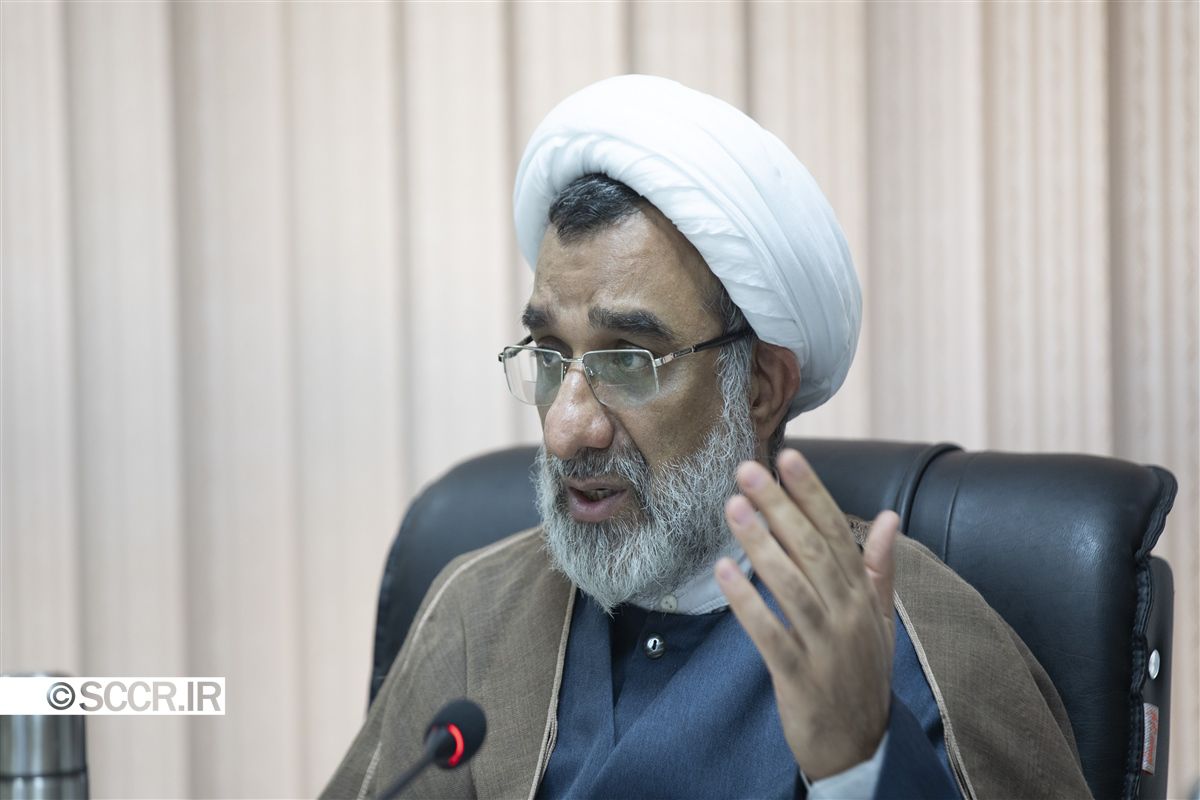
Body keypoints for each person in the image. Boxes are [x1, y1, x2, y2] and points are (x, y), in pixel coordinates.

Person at [322, 75, 1089, 800]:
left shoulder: (910, 637)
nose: (565, 429)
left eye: (629, 361)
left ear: (760, 388)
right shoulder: (479, 612)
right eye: (551, 356)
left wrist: (861, 763)